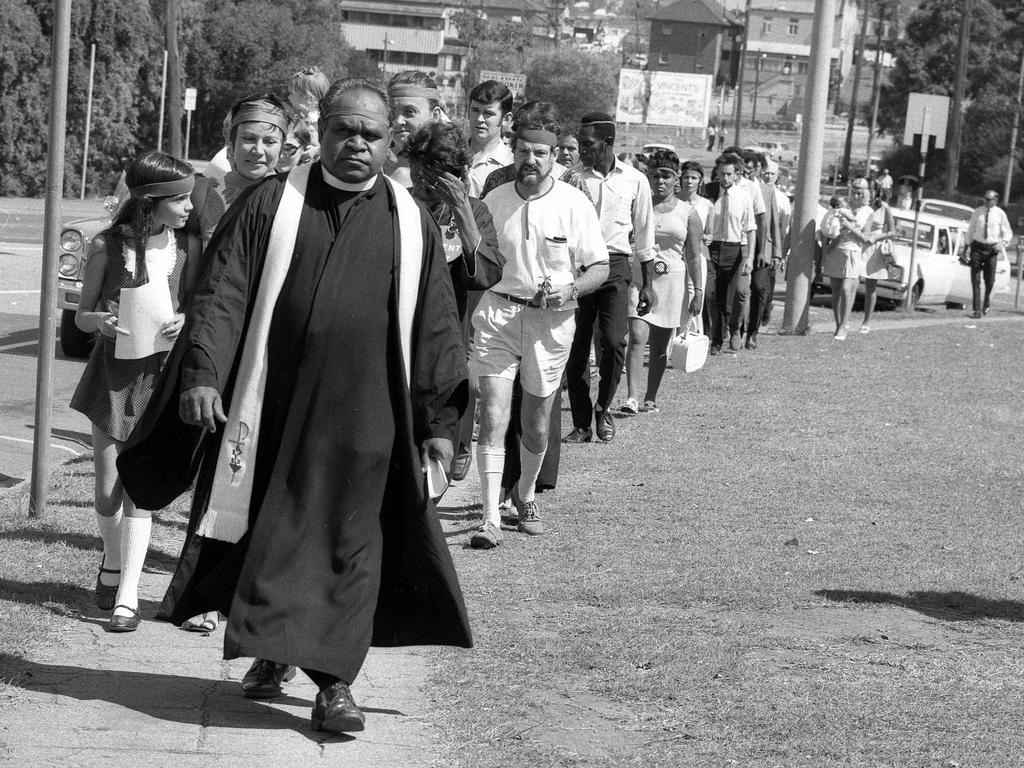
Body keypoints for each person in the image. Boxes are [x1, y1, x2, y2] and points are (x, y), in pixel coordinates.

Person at [117, 78, 473, 734]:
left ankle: (335, 685)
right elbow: (223, 293)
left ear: (390, 141)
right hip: (274, 408)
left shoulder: (410, 221)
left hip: (371, 424)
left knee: (351, 549)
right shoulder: (271, 204)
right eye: (344, 130)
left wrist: (442, 427)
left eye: (371, 134)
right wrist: (204, 374)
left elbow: (438, 331)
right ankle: (273, 656)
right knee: (274, 540)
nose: (357, 143)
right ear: (321, 134)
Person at [70, 151, 201, 633]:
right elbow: (82, 313)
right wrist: (98, 321)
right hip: (113, 378)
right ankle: (110, 558)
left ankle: (127, 597)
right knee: (107, 495)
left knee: (140, 495)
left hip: (159, 380)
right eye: (180, 199)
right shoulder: (106, 246)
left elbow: (190, 305)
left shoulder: (187, 247)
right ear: (150, 203)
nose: (189, 207)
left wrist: (184, 321)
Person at [469, 111, 608, 547]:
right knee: (492, 412)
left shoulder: (574, 202)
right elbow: (477, 262)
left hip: (551, 323)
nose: (531, 160)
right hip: (498, 314)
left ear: (554, 158)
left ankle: (525, 495)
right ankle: (489, 516)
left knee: (536, 422)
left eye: (541, 153)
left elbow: (599, 267)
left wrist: (569, 291)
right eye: (524, 151)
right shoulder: (494, 200)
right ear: (514, 152)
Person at [406, 121, 506, 484]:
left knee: (439, 457)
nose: (422, 186)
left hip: (449, 345)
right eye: (417, 175)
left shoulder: (475, 212)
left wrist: (460, 208)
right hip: (399, 339)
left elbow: (485, 275)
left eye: (432, 179)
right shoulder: (395, 203)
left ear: (457, 176)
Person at [563, 112, 655, 443]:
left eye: (587, 145)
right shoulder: (571, 179)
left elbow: (644, 235)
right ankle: (582, 423)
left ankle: (603, 410)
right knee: (575, 348)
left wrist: (647, 285)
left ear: (608, 143)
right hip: (580, 268)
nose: (580, 150)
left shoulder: (635, 180)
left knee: (615, 341)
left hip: (617, 267)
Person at [622, 150, 703, 414]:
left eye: (666, 176)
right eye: (655, 175)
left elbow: (693, 255)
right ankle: (632, 397)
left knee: (659, 345)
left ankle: (650, 397)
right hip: (641, 279)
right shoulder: (636, 205)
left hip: (672, 283)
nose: (660, 181)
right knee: (636, 336)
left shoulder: (688, 213)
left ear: (676, 178)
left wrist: (698, 290)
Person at [704, 156, 756, 355]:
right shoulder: (709, 193)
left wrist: (749, 257)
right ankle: (716, 338)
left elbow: (750, 228)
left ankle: (735, 328)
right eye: (722, 174)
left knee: (735, 295)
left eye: (729, 174)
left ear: (736, 175)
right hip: (713, 248)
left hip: (735, 249)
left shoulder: (743, 197)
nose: (724, 178)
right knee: (712, 294)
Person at [745, 155, 789, 349]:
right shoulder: (737, 188)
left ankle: (752, 332)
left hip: (764, 247)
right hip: (742, 243)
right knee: (739, 291)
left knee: (759, 288)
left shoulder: (768, 191)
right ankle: (737, 329)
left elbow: (775, 225)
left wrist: (777, 253)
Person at [387, 71, 448, 187]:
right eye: (393, 112)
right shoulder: (373, 163)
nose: (398, 121)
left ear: (435, 116)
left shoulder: (450, 167)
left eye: (409, 112)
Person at [820, 194, 868, 340]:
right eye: (836, 205)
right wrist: (824, 256)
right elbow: (827, 235)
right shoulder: (832, 216)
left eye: (840, 204)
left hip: (852, 253)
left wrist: (847, 225)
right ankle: (838, 324)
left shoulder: (862, 215)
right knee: (836, 292)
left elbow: (865, 238)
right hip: (836, 253)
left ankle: (843, 326)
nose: (838, 207)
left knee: (846, 289)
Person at [962, 190, 1014, 318]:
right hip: (977, 248)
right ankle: (977, 310)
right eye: (985, 198)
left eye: (989, 199)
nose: (986, 201)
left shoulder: (1000, 214)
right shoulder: (977, 212)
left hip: (991, 250)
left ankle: (986, 302)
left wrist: (1001, 244)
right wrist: (965, 249)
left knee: (989, 280)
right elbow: (970, 231)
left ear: (995, 200)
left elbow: (1007, 232)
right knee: (975, 280)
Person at [856, 177, 896, 333]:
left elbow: (892, 232)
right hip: (859, 245)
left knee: (870, 286)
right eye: (867, 189)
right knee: (851, 281)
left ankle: (866, 321)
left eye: (872, 189)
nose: (869, 192)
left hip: (874, 248)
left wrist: (876, 237)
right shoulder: (860, 205)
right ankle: (844, 319)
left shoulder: (883, 207)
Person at [755, 159, 791, 331]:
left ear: (777, 176)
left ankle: (766, 306)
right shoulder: (756, 191)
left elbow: (782, 229)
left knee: (767, 283)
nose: (769, 176)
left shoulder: (782, 199)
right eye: (766, 173)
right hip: (756, 244)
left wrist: (781, 253)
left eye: (772, 174)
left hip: (772, 246)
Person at [466, 80, 514, 198]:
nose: (479, 119)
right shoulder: (449, 154)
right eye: (475, 111)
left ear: (506, 119)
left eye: (488, 113)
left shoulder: (511, 164)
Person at [287, 66, 330, 160]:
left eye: (291, 94)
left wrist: (316, 151)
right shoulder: (297, 118)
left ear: (307, 97)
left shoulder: (322, 121)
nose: (288, 97)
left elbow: (332, 146)